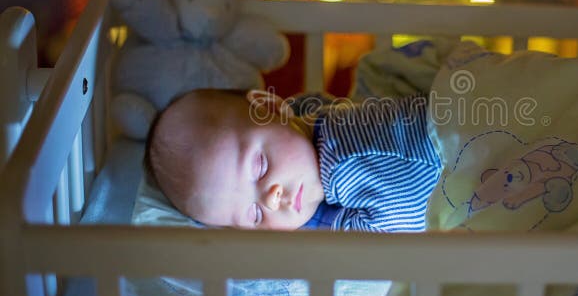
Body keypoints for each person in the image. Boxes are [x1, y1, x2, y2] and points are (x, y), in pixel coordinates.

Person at [143, 88, 441, 232]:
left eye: (260, 167)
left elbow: (423, 215)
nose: (272, 199)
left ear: (271, 107)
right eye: (254, 215)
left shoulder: (347, 157)